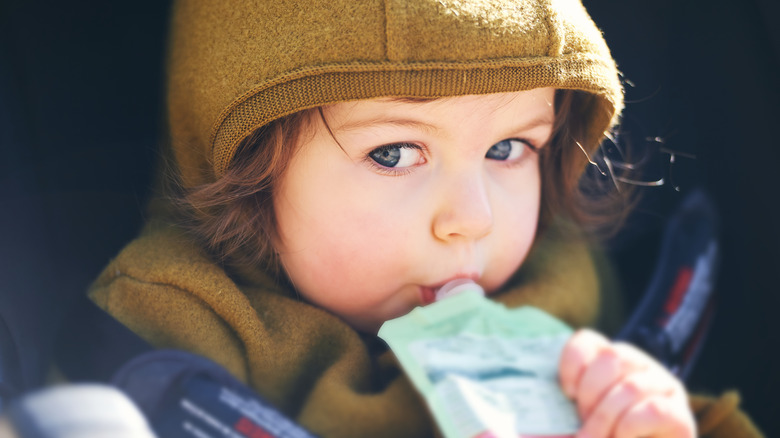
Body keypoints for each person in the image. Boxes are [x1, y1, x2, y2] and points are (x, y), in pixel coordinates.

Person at [87, 0, 762, 436]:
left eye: (507, 149)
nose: (471, 219)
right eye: (394, 153)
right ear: (243, 172)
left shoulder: (560, 288)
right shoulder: (171, 329)